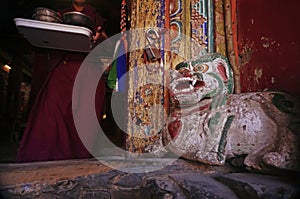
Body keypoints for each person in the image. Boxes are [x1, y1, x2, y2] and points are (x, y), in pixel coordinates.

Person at [16, 0, 107, 162]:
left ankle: (78, 160)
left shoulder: (96, 17)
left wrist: (98, 39)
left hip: (88, 70)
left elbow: (105, 42)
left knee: (84, 116)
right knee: (52, 111)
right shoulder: (60, 15)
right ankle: (46, 157)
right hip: (63, 69)